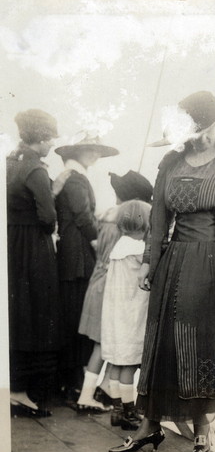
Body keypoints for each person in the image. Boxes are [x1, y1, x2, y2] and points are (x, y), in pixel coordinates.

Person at [109, 91, 215, 452]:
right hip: (173, 260)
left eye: (203, 131)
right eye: (191, 133)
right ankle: (150, 425)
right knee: (159, 340)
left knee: (197, 339)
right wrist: (151, 262)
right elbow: (158, 219)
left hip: (211, 261)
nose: (197, 139)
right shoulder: (171, 163)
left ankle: (202, 425)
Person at [76, 171, 153, 413]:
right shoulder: (126, 227)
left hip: (101, 282)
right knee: (107, 345)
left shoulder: (109, 218)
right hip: (113, 288)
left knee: (108, 344)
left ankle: (107, 390)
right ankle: (90, 396)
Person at [53, 133, 119, 406]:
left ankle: (74, 382)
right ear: (76, 152)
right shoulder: (76, 179)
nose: (95, 154)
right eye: (89, 150)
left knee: (73, 318)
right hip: (78, 258)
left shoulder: (69, 177)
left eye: (96, 150)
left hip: (71, 256)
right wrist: (98, 243)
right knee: (76, 321)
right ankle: (74, 385)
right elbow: (83, 217)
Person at [7, 109, 61, 417]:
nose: (53, 143)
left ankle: (14, 385)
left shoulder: (10, 164)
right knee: (38, 311)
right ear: (41, 138)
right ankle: (22, 391)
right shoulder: (36, 170)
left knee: (17, 313)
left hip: (11, 245)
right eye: (51, 137)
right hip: (33, 248)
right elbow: (48, 217)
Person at [101, 200, 151, 432]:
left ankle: (117, 409)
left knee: (117, 364)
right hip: (130, 316)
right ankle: (129, 412)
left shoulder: (119, 247)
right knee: (129, 365)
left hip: (115, 315)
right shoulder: (139, 250)